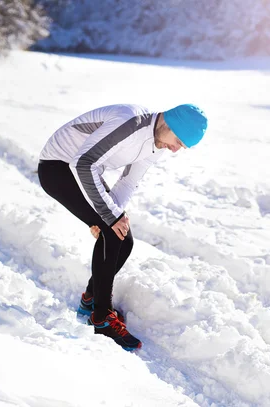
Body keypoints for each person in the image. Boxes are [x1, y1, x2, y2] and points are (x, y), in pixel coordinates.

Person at [37, 103, 208, 351]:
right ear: (168, 124)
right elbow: (82, 163)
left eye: (181, 147)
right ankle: (102, 317)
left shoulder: (155, 145)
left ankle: (91, 300)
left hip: (80, 171)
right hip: (57, 167)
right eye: (178, 141)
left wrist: (110, 219)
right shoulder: (131, 123)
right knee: (112, 231)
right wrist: (107, 217)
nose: (174, 150)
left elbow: (127, 183)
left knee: (122, 237)